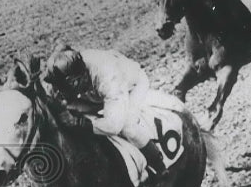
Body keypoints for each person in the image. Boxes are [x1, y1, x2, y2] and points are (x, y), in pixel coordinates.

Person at [42, 45, 167, 177]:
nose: (60, 90)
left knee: (128, 126)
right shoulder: (67, 73)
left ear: (76, 80)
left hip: (129, 87)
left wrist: (79, 123)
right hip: (94, 94)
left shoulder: (107, 75)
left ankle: (158, 164)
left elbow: (114, 125)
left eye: (63, 87)